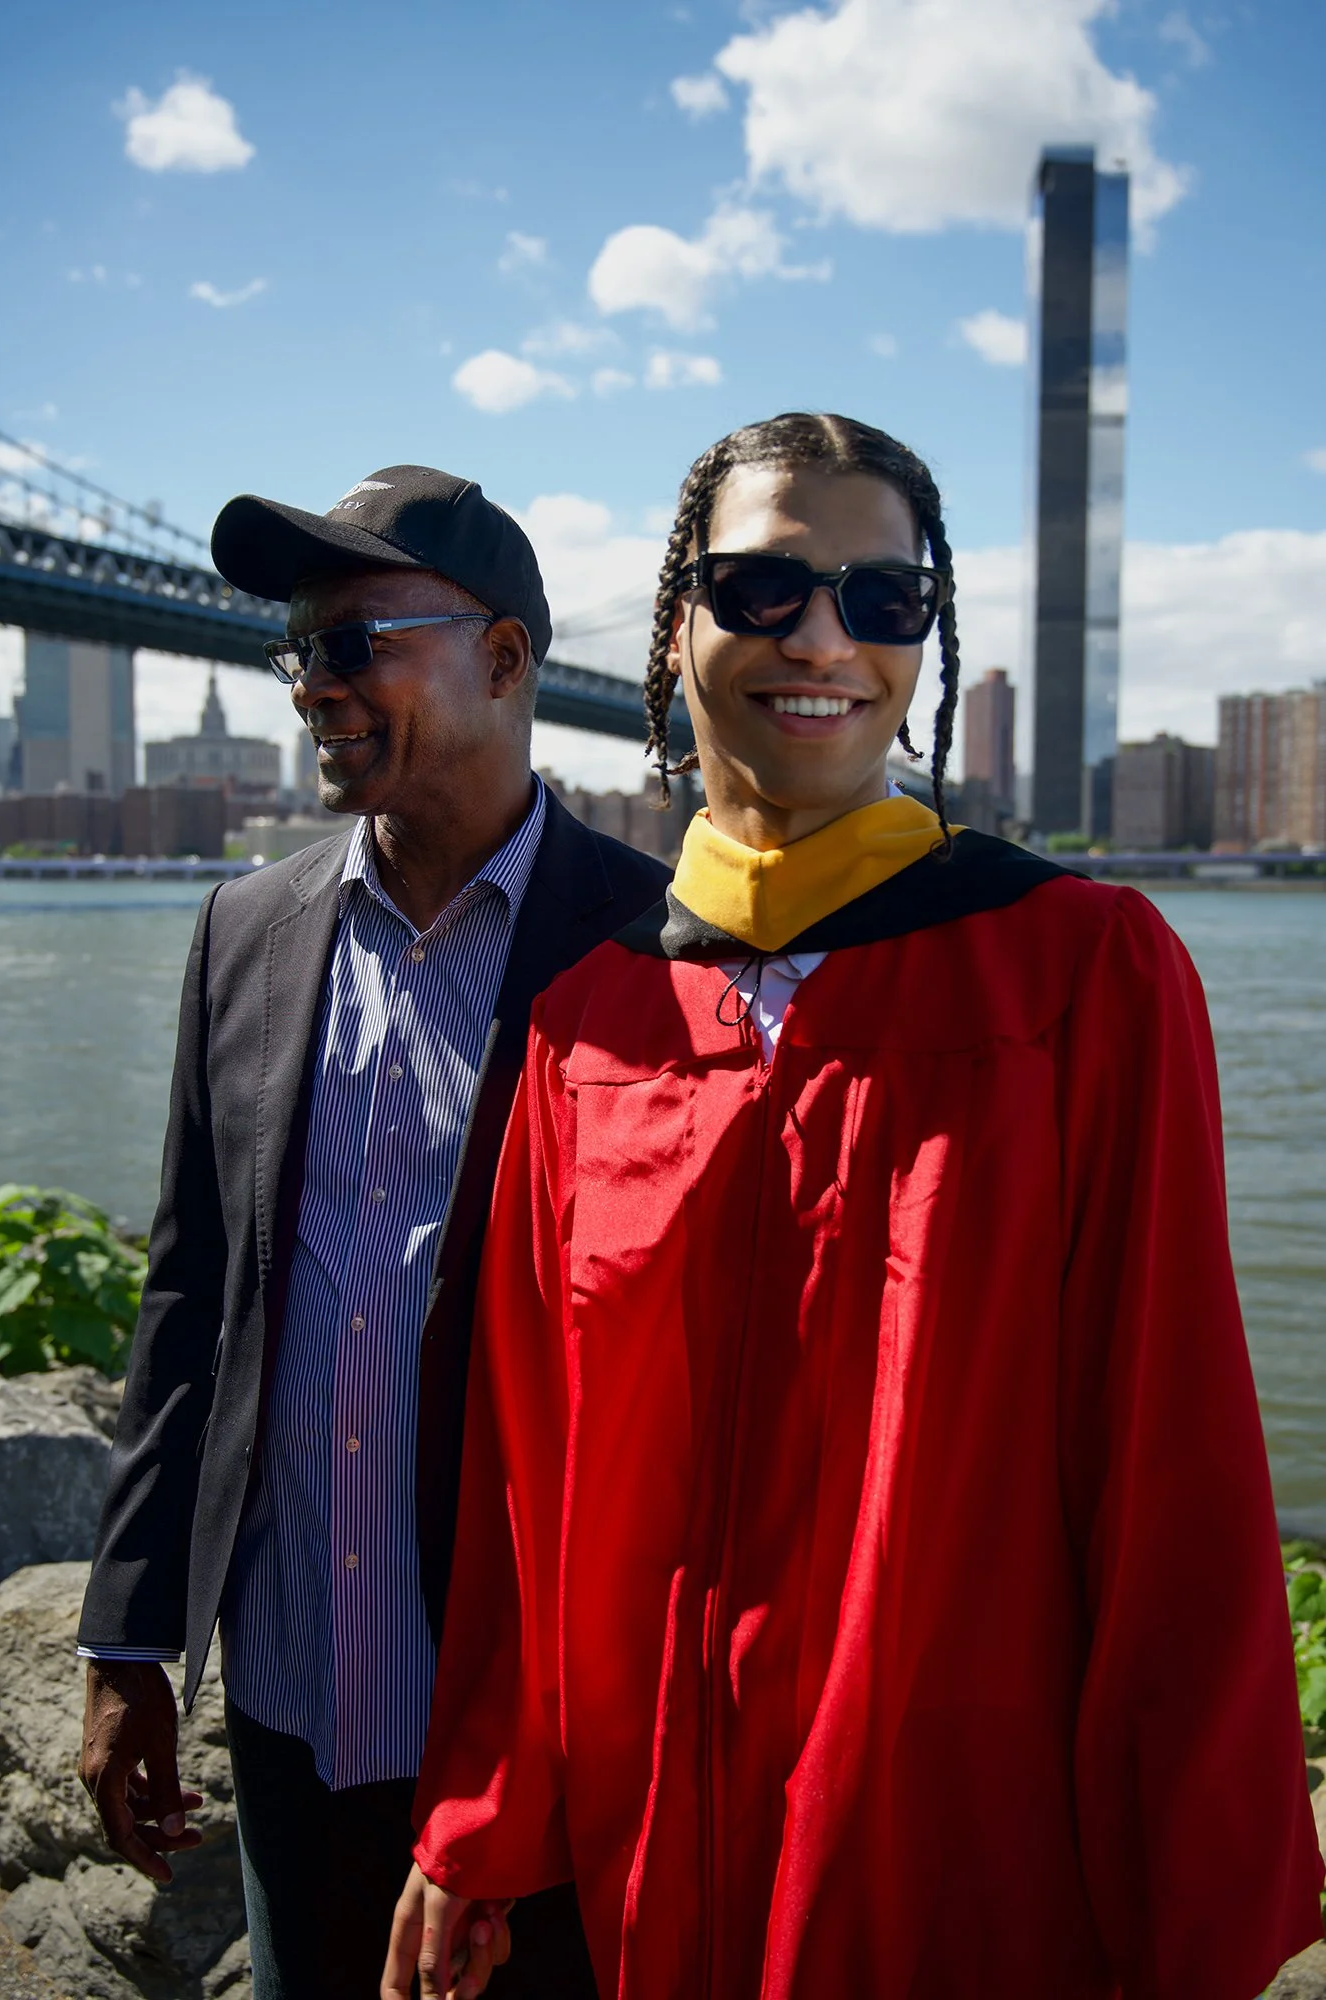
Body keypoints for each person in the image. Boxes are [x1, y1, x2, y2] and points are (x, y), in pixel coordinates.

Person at [387, 414, 1323, 2000]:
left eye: (885, 600)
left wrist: (1193, 1886)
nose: (821, 638)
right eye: (761, 589)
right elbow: (523, 1486)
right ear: (674, 622)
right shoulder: (584, 1030)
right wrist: (482, 1816)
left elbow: (1173, 1460)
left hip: (963, 1832)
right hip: (656, 1843)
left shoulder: (1078, 974)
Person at [75, 463, 669, 2000]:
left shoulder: (663, 951)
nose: (314, 689)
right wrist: (128, 1639)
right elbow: (191, 1288)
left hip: (536, 1739)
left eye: (357, 645)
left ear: (509, 658)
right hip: (284, 1715)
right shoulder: (244, 926)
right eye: (301, 654)